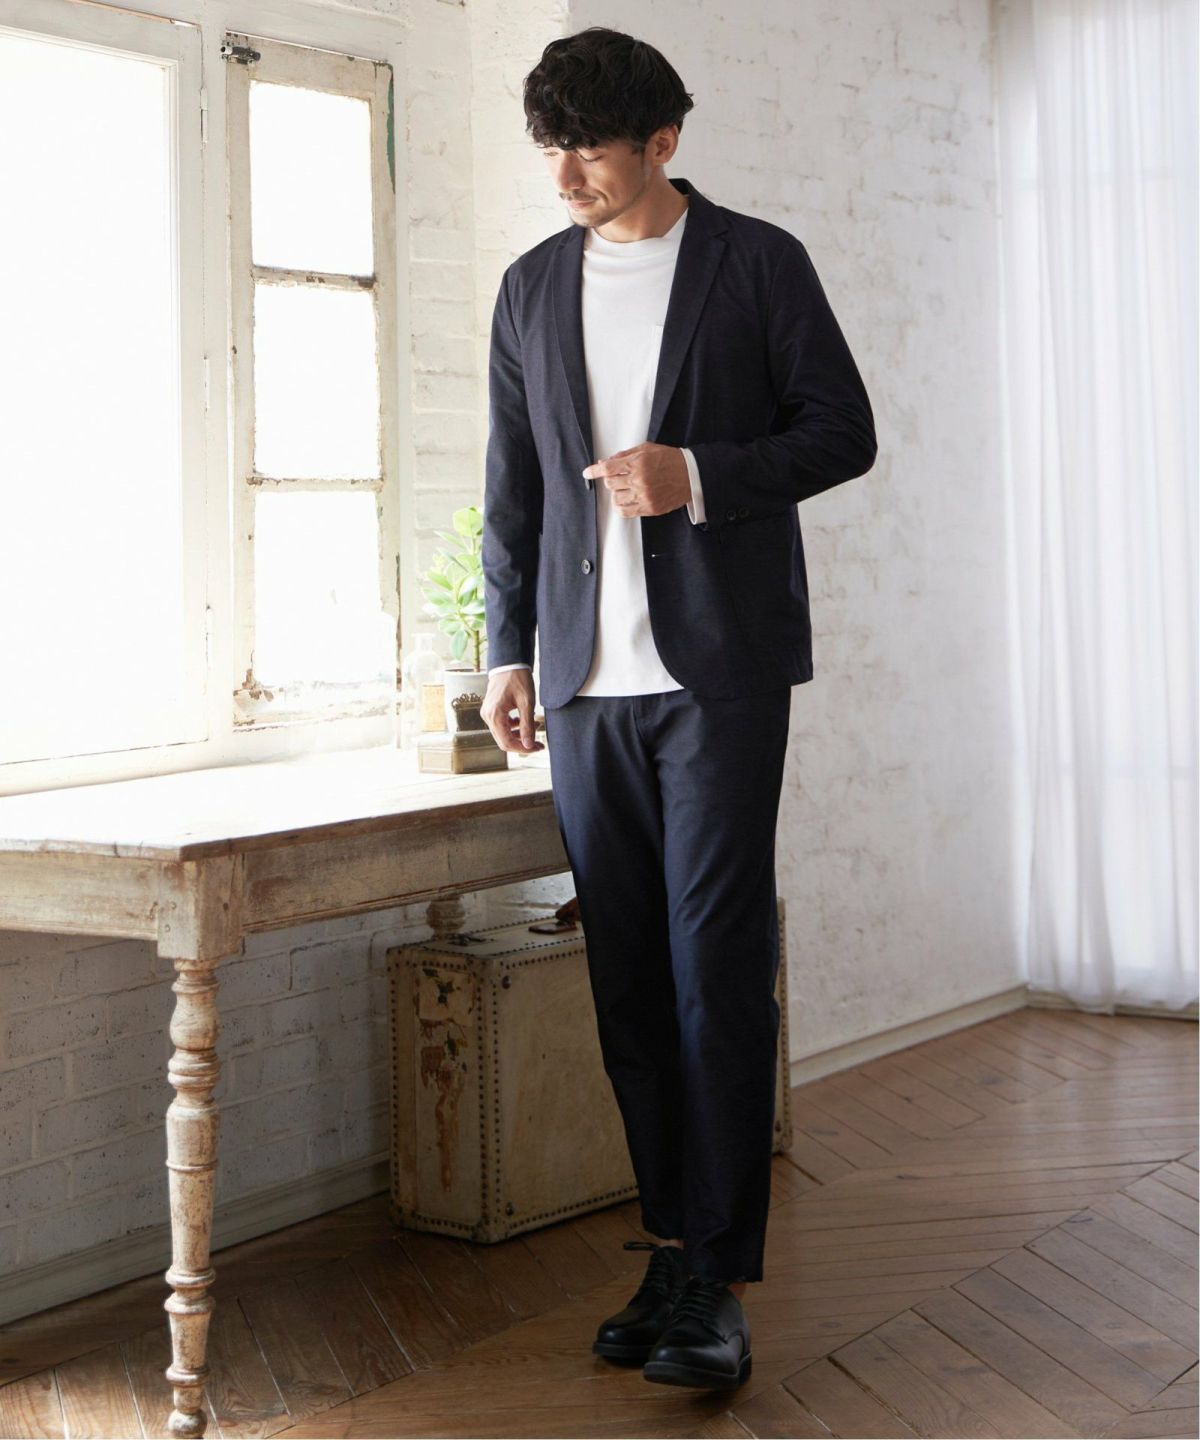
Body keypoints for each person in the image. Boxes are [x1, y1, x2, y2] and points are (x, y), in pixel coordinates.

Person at [479, 25, 877, 1392]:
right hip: (586, 684)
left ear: (663, 143)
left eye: (589, 149)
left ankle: (720, 1276)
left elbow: (842, 430)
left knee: (716, 968)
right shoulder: (531, 287)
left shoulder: (758, 264)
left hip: (718, 677)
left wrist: (693, 474)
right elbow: (512, 485)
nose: (565, 176)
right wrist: (506, 650)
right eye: (550, 148)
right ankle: (670, 1242)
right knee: (629, 980)